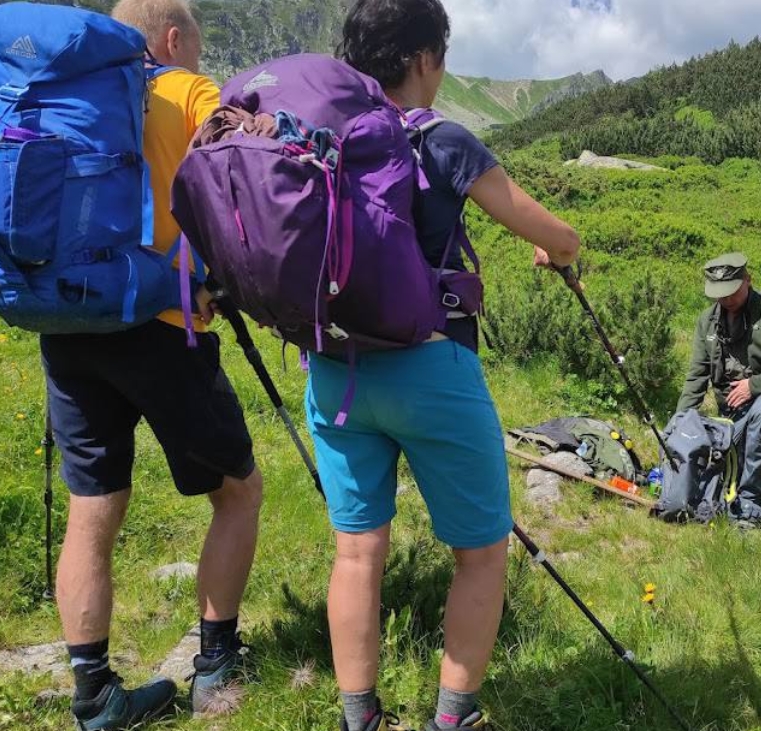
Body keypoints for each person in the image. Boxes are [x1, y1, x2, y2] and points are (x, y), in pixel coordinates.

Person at [0, 1, 263, 727]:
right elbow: (249, 159)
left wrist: (21, 255)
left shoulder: (47, 96)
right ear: (173, 38)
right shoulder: (184, 90)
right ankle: (215, 665)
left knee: (93, 509)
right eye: (195, 46)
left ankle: (96, 697)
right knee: (237, 491)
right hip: (163, 323)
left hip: (67, 326)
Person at [314, 1, 580, 729]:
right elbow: (547, 229)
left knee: (357, 552)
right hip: (431, 369)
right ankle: (452, 718)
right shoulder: (440, 137)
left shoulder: (321, 136)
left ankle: (360, 719)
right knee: (481, 553)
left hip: (336, 373)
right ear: (424, 58)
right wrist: (562, 245)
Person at [675, 252, 761, 522]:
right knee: (722, 486)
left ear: (747, 280)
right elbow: (697, 376)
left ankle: (751, 507)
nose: (726, 300)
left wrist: (755, 385)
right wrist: (680, 422)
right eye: (720, 295)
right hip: (732, 412)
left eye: (732, 292)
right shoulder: (707, 321)